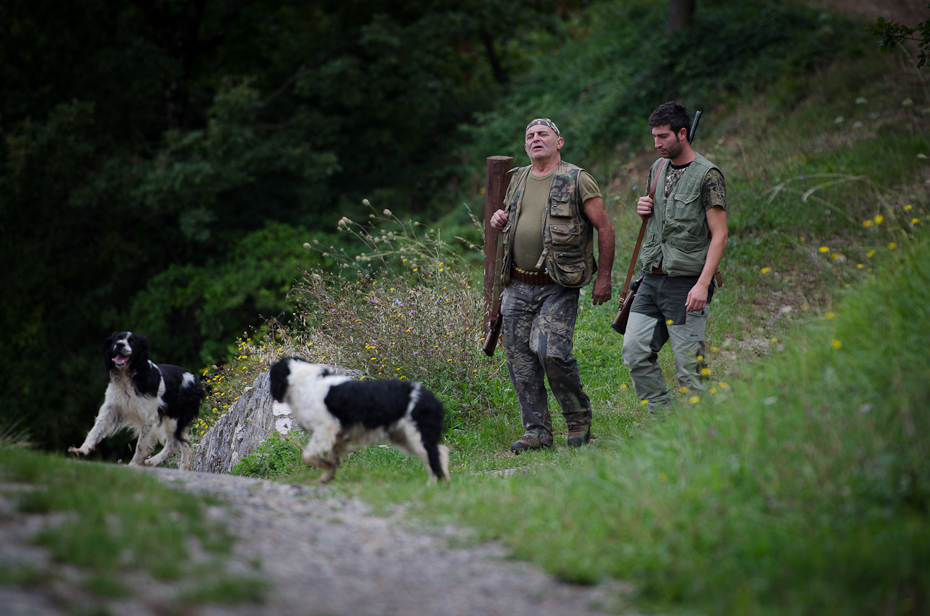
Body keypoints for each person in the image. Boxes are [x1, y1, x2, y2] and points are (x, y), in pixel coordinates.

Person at [490, 118, 615, 453]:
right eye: (529, 135)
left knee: (551, 351)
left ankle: (577, 417)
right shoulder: (516, 179)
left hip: (558, 284)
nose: (535, 139)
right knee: (519, 360)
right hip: (517, 283)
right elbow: (507, 219)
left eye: (542, 134)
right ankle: (537, 432)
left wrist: (604, 277)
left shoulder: (577, 179)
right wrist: (498, 218)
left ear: (559, 142)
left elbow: (604, 227)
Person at [622, 101, 728, 415]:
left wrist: (702, 284)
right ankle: (663, 421)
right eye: (654, 136)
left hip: (686, 285)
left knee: (690, 370)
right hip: (651, 280)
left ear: (683, 133)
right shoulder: (657, 168)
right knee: (635, 351)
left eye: (664, 137)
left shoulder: (708, 176)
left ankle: (704, 433)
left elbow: (719, 235)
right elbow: (660, 216)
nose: (657, 144)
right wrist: (644, 206)